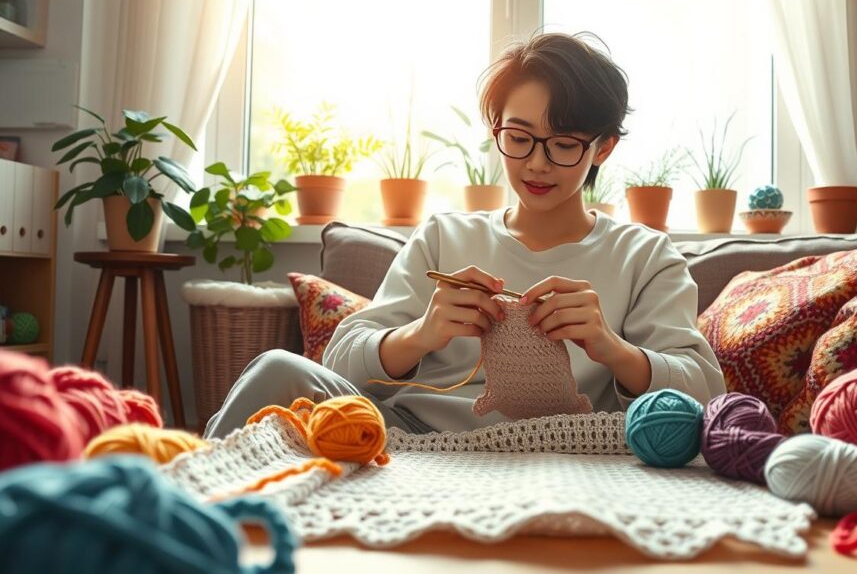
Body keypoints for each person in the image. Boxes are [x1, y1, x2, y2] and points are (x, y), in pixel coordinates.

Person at [204, 32, 725, 439]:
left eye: (564, 144)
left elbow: (703, 391)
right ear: (496, 128)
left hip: (571, 445)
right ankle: (178, 514)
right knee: (276, 369)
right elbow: (340, 360)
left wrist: (611, 347)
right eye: (518, 138)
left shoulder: (645, 255)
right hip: (409, 437)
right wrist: (422, 332)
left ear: (603, 148)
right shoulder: (442, 236)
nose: (537, 164)